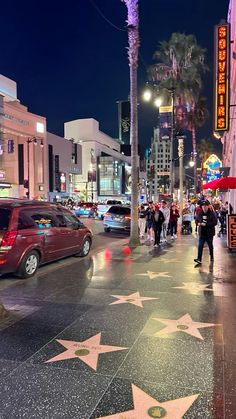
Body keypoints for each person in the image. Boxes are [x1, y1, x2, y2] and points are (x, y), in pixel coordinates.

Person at [194, 200, 218, 265]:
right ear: (201, 207)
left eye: (205, 206)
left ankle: (211, 255)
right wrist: (198, 223)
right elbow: (196, 220)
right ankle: (199, 259)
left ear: (208, 206)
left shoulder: (212, 213)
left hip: (209, 233)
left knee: (210, 246)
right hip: (202, 233)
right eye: (203, 206)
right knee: (200, 246)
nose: (204, 207)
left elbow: (215, 222)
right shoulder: (200, 213)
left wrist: (206, 224)